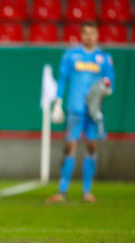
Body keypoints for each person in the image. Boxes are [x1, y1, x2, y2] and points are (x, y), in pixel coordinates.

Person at [46, 22, 115, 203]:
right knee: (70, 146)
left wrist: (106, 89)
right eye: (85, 33)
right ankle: (62, 191)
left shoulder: (104, 58)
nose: (89, 36)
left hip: (93, 110)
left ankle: (87, 191)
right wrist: (58, 102)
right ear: (81, 35)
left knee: (92, 146)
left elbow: (110, 83)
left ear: (97, 35)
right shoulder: (71, 55)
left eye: (92, 33)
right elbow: (63, 79)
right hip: (75, 107)